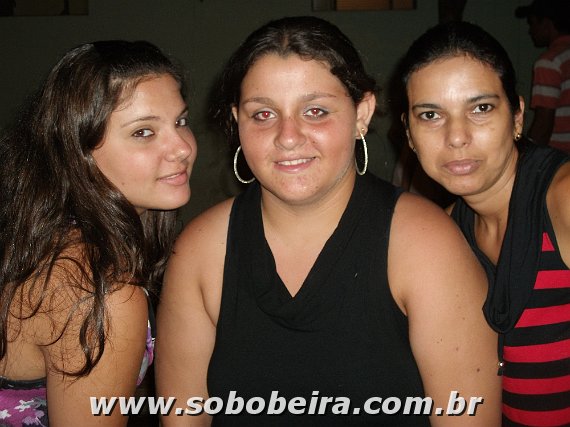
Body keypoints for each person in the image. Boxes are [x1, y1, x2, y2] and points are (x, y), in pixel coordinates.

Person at [156, 16, 501, 426]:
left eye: (315, 111)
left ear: (362, 113)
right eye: (262, 114)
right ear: (236, 121)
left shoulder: (425, 247)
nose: (287, 136)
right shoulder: (199, 251)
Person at [0, 40, 197, 426]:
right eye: (143, 132)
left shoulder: (50, 235)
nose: (182, 148)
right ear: (79, 152)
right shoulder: (97, 288)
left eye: (180, 122)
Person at [400, 21, 570, 426]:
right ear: (408, 135)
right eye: (431, 115)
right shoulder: (445, 234)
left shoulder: (562, 200)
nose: (457, 136)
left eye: (480, 108)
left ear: (517, 116)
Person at [515, 0, 570, 153]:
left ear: (546, 23)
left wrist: (527, 157)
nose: (530, 31)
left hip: (559, 156)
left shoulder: (549, 62)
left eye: (532, 23)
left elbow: (543, 124)